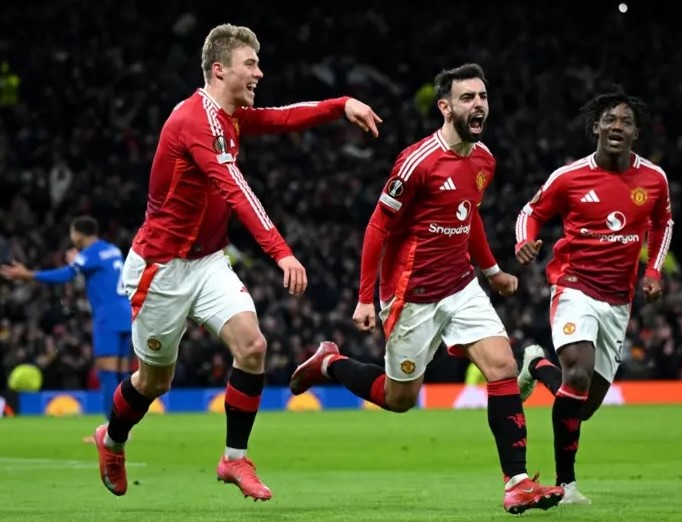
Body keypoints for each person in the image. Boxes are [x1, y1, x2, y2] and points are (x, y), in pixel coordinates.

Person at [92, 23, 381, 500]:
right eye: (251, 64)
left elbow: (283, 118)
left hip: (207, 262)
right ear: (219, 69)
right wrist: (281, 251)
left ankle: (234, 459)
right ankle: (112, 440)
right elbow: (236, 190)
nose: (259, 73)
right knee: (154, 381)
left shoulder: (231, 116)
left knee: (252, 346)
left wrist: (340, 104)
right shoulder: (195, 121)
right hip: (161, 268)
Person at [290, 63, 564, 514]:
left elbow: (468, 214)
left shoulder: (484, 160)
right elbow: (377, 227)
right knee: (399, 399)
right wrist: (364, 297)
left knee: (502, 366)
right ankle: (331, 363)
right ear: (445, 107)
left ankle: (516, 483)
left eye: (482, 96)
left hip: (461, 285)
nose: (478, 104)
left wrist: (491, 270)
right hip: (411, 293)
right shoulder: (417, 162)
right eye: (467, 97)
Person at [514, 89, 674, 504]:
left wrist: (653, 271)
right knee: (578, 375)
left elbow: (663, 224)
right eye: (610, 119)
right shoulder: (569, 177)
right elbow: (531, 212)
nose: (617, 126)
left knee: (582, 406)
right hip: (574, 286)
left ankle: (536, 365)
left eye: (626, 121)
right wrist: (524, 241)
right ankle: (566, 485)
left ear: (636, 132)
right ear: (596, 127)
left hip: (618, 300)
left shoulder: (654, 179)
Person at [0, 216, 132, 435]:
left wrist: (28, 275)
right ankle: (125, 427)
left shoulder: (90, 253)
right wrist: (79, 260)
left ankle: (112, 432)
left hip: (107, 318)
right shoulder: (113, 250)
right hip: (126, 314)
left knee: (107, 372)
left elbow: (66, 275)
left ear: (78, 234)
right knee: (121, 373)